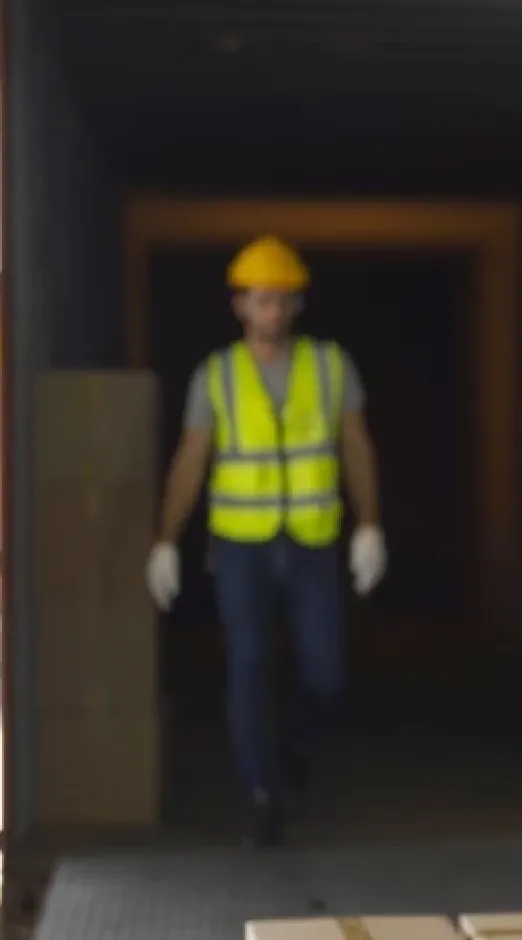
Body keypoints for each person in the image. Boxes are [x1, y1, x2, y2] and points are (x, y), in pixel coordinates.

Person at [144, 235, 388, 848]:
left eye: (282, 301)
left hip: (311, 541)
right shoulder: (217, 375)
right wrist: (166, 540)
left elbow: (355, 446)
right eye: (260, 301)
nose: (272, 313)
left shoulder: (332, 367)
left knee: (326, 673)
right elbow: (191, 459)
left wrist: (370, 525)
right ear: (239, 306)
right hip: (241, 547)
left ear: (297, 305)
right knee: (249, 668)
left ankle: (295, 754)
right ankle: (264, 791)